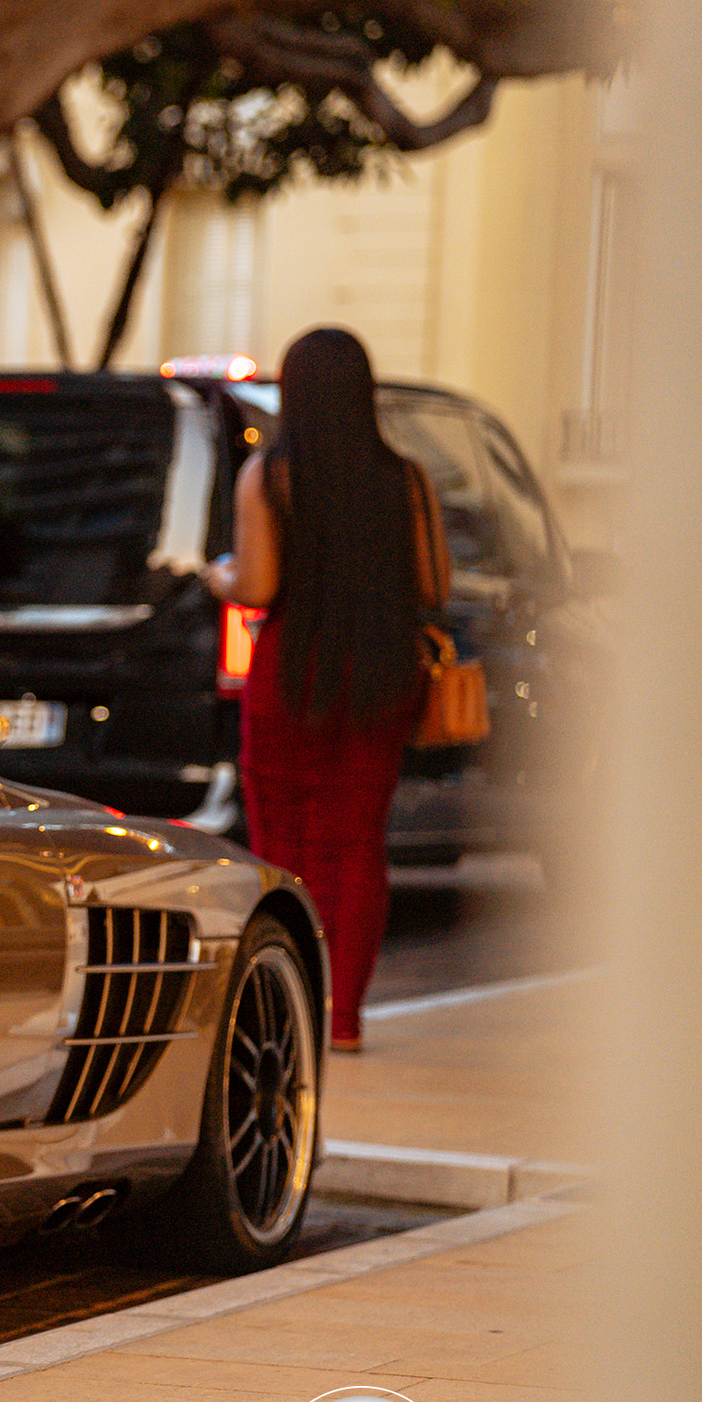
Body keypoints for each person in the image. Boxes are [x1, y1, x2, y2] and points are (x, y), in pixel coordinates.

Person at [204, 327, 449, 1053]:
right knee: (358, 841)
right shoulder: (405, 478)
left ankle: (294, 1005)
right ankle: (344, 1020)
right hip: (379, 669)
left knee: (285, 845)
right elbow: (435, 583)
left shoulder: (271, 475)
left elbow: (257, 586)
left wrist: (218, 574)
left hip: (292, 669)